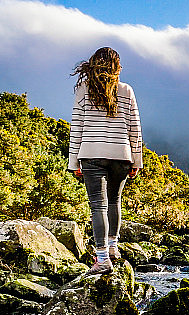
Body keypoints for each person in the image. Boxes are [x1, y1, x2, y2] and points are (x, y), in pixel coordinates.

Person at [68, 47, 143, 275]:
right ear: (117, 67)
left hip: (91, 153)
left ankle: (101, 259)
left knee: (98, 206)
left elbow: (77, 125)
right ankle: (113, 249)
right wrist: (137, 160)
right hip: (121, 155)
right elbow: (134, 128)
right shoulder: (126, 90)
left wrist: (73, 162)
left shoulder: (84, 89)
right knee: (114, 202)